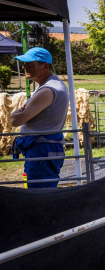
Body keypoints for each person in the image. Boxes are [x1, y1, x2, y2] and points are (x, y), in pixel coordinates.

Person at [11, 47, 69, 188]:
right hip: (44, 148)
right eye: (24, 63)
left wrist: (15, 114)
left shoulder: (47, 90)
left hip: (41, 149)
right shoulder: (50, 85)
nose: (25, 67)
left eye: (30, 64)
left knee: (41, 194)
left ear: (45, 66)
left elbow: (15, 120)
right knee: (43, 191)